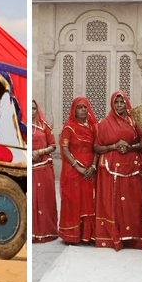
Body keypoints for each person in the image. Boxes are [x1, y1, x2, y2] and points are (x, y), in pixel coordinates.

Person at [93, 91, 142, 250]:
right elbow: (97, 147)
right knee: (114, 202)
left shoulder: (134, 121)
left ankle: (132, 237)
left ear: (126, 103)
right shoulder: (104, 123)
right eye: (116, 102)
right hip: (111, 170)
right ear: (112, 104)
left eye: (121, 102)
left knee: (132, 202)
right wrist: (114, 146)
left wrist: (131, 147)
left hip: (132, 167)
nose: (119, 105)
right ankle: (113, 237)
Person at [59, 97, 98, 244]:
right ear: (74, 111)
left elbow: (96, 147)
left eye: (85, 107)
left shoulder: (93, 127)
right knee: (74, 201)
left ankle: (88, 235)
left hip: (90, 171)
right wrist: (78, 167)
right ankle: (73, 234)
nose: (83, 110)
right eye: (80, 107)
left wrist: (93, 167)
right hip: (73, 172)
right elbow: (64, 149)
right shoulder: (69, 127)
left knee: (89, 201)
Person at [32, 100, 59, 243]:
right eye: (29, 108)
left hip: (43, 168)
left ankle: (46, 231)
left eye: (34, 108)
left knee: (43, 199)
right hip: (28, 168)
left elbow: (53, 145)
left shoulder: (44, 126)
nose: (31, 111)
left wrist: (40, 152)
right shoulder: (21, 126)